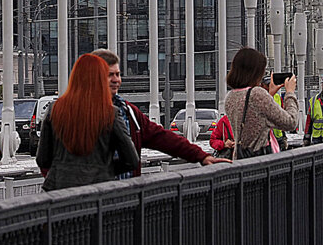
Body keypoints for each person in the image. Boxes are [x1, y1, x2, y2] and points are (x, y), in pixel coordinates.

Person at [91, 49, 230, 174]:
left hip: (126, 195)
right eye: (110, 75)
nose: (116, 80)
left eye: (118, 74)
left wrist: (201, 156)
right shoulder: (81, 113)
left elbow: (161, 137)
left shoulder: (128, 112)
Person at [36, 54, 138, 190]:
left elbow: (42, 159)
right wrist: (105, 170)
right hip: (98, 194)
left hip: (58, 192)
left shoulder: (55, 109)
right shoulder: (110, 113)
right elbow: (131, 160)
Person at [224, 47, 298, 157]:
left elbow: (256, 116)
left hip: (241, 161)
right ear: (255, 72)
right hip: (261, 162)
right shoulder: (257, 94)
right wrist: (290, 93)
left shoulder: (230, 97)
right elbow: (290, 122)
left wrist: (269, 95)